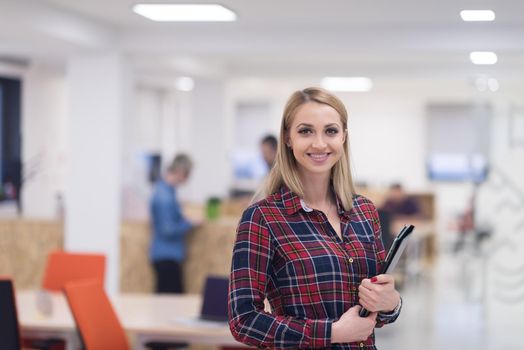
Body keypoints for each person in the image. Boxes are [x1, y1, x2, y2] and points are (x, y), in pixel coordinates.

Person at [228, 87, 402, 349]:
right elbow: (243, 321)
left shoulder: (365, 212)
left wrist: (391, 303)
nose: (319, 143)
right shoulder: (262, 218)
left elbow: (375, 316)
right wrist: (331, 332)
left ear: (343, 136)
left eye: (330, 131)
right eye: (306, 131)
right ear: (288, 138)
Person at [149, 153, 197, 294]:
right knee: (169, 303)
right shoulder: (164, 197)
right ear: (180, 172)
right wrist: (189, 223)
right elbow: (167, 230)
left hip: (167, 256)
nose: (187, 179)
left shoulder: (167, 192)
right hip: (166, 257)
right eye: (187, 174)